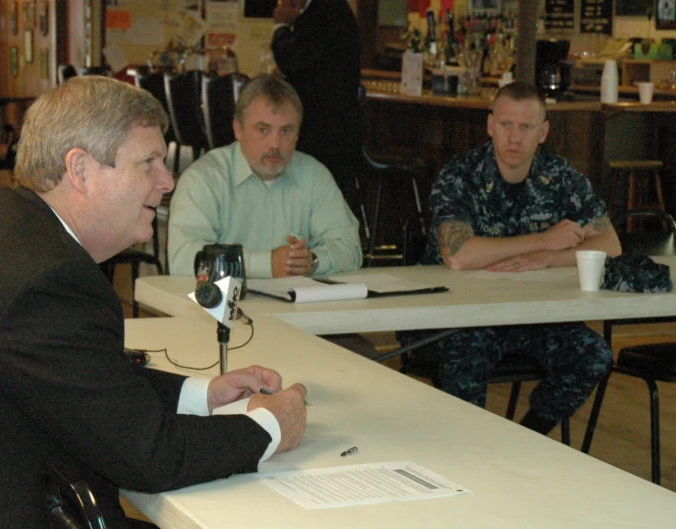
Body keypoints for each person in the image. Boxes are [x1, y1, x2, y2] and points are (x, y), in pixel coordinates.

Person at [0, 76, 307, 528]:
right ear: (80, 170)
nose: (167, 180)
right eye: (149, 162)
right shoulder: (44, 281)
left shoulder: (13, 233)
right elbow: (149, 456)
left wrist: (204, 394)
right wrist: (271, 427)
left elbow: (86, 380)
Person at [402, 82, 621, 435]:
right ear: (490, 126)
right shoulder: (462, 175)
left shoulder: (562, 177)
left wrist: (548, 258)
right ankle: (469, 454)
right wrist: (543, 241)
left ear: (544, 132)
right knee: (466, 355)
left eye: (526, 127)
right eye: (505, 125)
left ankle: (525, 438)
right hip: (460, 317)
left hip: (532, 315)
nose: (514, 137)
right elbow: (458, 255)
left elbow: (610, 244)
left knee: (592, 354)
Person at [167, 75, 362, 278]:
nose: (275, 144)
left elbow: (350, 250)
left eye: (286, 131)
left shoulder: (314, 176)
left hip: (294, 306)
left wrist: (311, 261)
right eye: (263, 130)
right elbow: (183, 259)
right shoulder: (204, 179)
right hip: (219, 308)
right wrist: (266, 264)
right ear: (238, 129)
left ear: (298, 134)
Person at [271, 0, 362, 204]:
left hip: (327, 132)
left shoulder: (324, 11)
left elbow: (290, 58)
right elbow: (312, 66)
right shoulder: (328, 9)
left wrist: (281, 25)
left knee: (312, 200)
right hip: (332, 127)